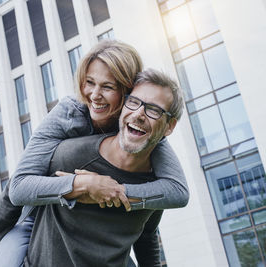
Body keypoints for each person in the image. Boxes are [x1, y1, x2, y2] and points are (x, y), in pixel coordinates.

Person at [0, 40, 189, 266]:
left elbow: (174, 193)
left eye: (107, 87)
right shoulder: (69, 115)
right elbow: (19, 185)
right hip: (39, 213)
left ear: (127, 90)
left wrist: (117, 192)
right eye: (89, 82)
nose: (94, 95)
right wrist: (84, 185)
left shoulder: (145, 132)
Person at [23, 68, 184, 266]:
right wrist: (79, 184)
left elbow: (147, 233)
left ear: (169, 126)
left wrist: (117, 193)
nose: (139, 114)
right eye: (134, 102)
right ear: (123, 105)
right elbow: (16, 187)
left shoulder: (155, 182)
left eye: (154, 110)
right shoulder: (72, 153)